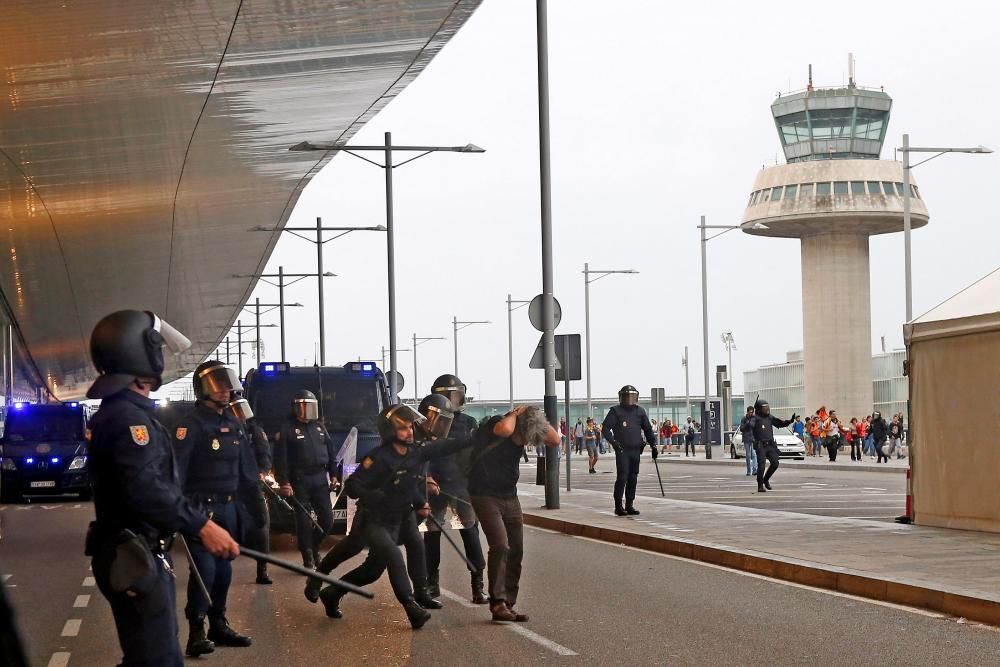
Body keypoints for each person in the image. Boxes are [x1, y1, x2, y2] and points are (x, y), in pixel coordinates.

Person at [85, 310, 239, 667]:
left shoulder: (126, 412)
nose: (161, 357)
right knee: (160, 661)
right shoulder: (128, 419)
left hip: (136, 551)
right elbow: (144, 488)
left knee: (148, 658)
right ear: (141, 353)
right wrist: (202, 525)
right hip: (133, 553)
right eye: (157, 348)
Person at [317, 403, 470, 629]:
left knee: (391, 560)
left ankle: (334, 593)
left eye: (411, 427)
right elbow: (353, 486)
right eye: (404, 428)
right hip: (375, 519)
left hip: (401, 514)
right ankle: (411, 607)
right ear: (390, 431)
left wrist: (420, 502)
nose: (411, 432)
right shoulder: (378, 457)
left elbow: (420, 472)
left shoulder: (414, 451)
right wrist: (374, 495)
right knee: (389, 558)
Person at [173, 361, 264, 656]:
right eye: (218, 385)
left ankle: (219, 624)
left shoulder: (235, 423)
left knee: (224, 573)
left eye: (227, 384)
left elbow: (247, 470)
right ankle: (196, 630)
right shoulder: (191, 425)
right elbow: (177, 474)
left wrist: (255, 508)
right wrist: (181, 514)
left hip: (230, 508)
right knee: (205, 571)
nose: (226, 391)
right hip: (202, 510)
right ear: (203, 389)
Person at [469, 406, 559, 622]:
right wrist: (515, 414)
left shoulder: (525, 432)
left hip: (510, 496)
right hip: (484, 494)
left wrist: (537, 418)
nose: (527, 443)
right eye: (526, 437)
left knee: (516, 549)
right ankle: (497, 603)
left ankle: (508, 603)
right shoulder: (498, 424)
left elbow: (554, 440)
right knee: (500, 545)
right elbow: (504, 430)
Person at [424, 374, 488, 605]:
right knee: (431, 536)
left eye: (457, 394)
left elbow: (477, 456)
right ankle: (431, 584)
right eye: (450, 395)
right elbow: (421, 454)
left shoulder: (469, 423)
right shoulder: (427, 421)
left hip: (462, 487)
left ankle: (478, 585)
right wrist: (427, 477)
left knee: (470, 533)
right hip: (435, 487)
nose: (454, 400)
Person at [273, 390, 338, 569]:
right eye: (306, 406)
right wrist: (284, 481)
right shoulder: (287, 428)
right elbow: (281, 459)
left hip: (320, 479)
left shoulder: (319, 427)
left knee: (327, 520)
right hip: (299, 480)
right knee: (303, 520)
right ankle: (307, 554)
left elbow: (331, 452)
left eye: (312, 406)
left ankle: (315, 545)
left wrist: (334, 474)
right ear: (297, 407)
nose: (309, 410)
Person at [229, 395, 274, 584]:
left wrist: (262, 472)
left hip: (251, 484)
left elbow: (264, 454)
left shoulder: (255, 431)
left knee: (262, 522)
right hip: (229, 485)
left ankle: (262, 569)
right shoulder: (223, 429)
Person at [602, 386, 658, 516]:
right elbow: (605, 429)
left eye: (632, 396)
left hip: (636, 450)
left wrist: (653, 446)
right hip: (622, 450)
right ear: (621, 397)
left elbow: (648, 430)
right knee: (622, 477)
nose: (629, 399)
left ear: (636, 397)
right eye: (626, 396)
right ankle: (618, 505)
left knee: (633, 477)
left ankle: (629, 504)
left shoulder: (640, 412)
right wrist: (613, 442)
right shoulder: (616, 411)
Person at [750, 398, 796, 492]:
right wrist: (749, 422)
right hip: (760, 445)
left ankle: (766, 479)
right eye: (764, 408)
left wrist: (789, 421)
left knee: (775, 463)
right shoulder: (755, 418)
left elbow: (779, 423)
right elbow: (749, 426)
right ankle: (760, 485)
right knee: (761, 465)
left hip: (770, 445)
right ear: (758, 409)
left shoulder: (769, 417)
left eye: (767, 407)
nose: (767, 409)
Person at [739, 406, 757, 476]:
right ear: (747, 412)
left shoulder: (754, 418)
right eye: (750, 412)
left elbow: (754, 426)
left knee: (754, 454)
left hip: (753, 438)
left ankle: (754, 470)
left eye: (752, 412)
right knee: (748, 455)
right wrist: (746, 424)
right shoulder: (743, 419)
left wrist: (750, 423)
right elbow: (741, 428)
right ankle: (749, 470)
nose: (751, 413)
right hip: (746, 438)